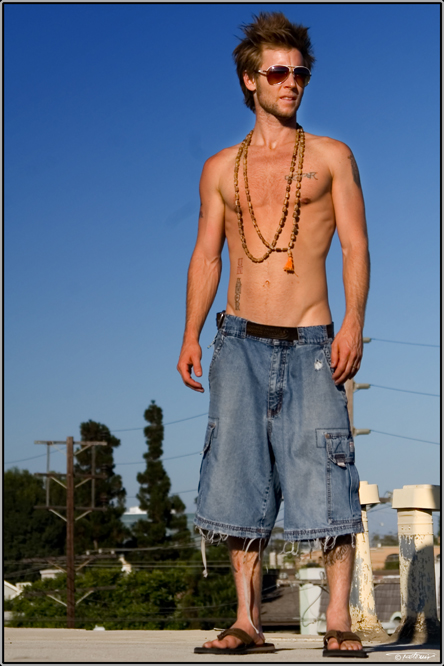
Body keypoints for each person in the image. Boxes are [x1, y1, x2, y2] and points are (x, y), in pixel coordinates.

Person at [177, 12, 370, 657]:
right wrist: (190, 334)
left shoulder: (332, 157)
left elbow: (355, 246)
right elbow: (206, 256)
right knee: (237, 476)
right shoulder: (218, 169)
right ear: (249, 80)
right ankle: (247, 622)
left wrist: (354, 322)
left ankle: (338, 620)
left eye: (300, 72)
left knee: (327, 475)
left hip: (313, 341)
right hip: (238, 341)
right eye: (279, 72)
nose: (292, 82)